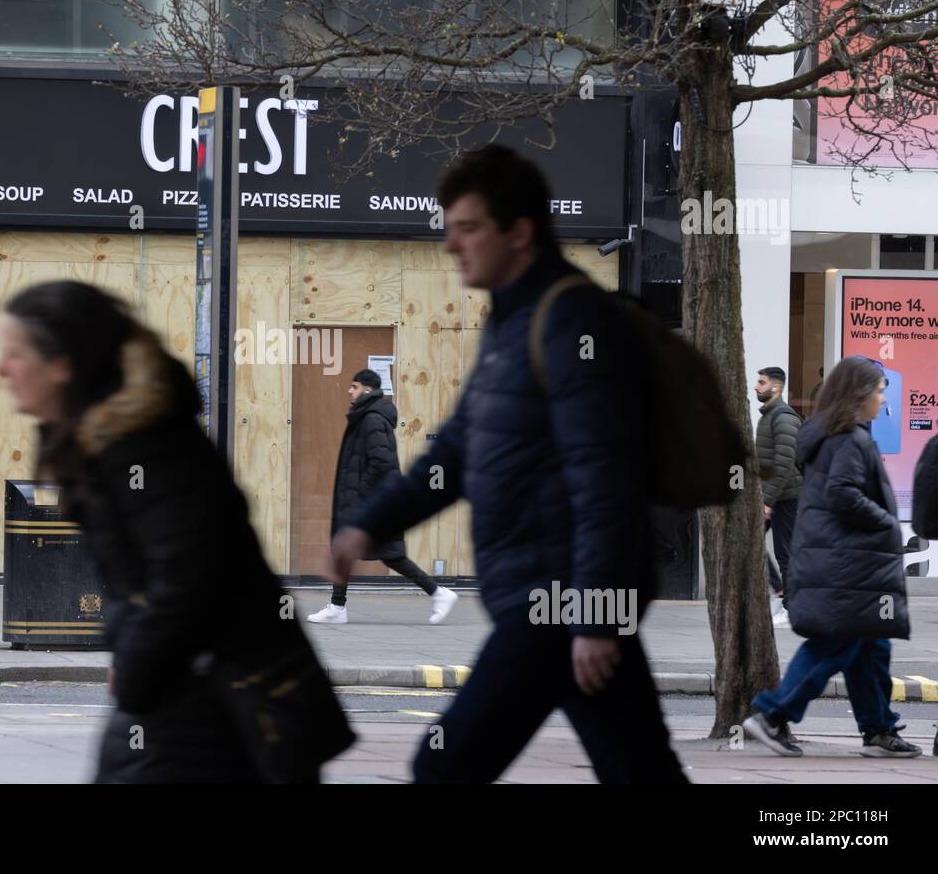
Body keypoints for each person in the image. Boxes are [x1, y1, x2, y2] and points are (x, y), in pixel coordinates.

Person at [330, 145, 687, 784]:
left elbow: (606, 476)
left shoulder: (573, 322)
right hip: (554, 599)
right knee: (640, 770)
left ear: (519, 232)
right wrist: (366, 524)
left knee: (444, 764)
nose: (451, 245)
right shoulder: (513, 323)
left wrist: (597, 614)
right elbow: (459, 451)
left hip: (553, 601)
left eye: (468, 229)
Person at [0, 280, 353, 783]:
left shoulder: (142, 444)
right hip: (186, 693)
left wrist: (138, 666)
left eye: (14, 353)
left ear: (61, 364)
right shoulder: (101, 436)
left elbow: (189, 577)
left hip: (217, 702)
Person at [743, 356, 919, 758]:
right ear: (859, 395)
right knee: (838, 643)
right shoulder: (849, 439)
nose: (881, 397)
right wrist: (888, 523)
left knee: (870, 646)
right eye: (878, 389)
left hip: (845, 561)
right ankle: (772, 714)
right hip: (847, 564)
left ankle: (879, 731)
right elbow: (842, 493)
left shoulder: (835, 435)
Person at [307, 369, 457, 625]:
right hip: (369, 499)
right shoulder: (366, 417)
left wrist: (360, 494)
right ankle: (337, 607)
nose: (349, 391)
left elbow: (382, 462)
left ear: (367, 389)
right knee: (350, 549)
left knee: (388, 554)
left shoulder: (372, 419)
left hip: (370, 500)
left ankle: (439, 593)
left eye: (354, 387)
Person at [754, 366, 803, 628]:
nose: (756, 386)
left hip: (787, 496)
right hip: (774, 494)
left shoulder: (784, 418)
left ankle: (791, 608)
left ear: (776, 387)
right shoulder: (770, 416)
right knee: (750, 543)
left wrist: (768, 501)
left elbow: (784, 464)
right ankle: (780, 591)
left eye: (761, 382)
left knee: (786, 553)